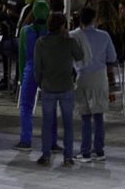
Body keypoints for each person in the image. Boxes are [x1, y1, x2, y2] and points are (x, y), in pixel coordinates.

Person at [34, 12, 84, 166]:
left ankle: (46, 154)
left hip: (48, 87)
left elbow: (37, 67)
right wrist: (68, 36)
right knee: (68, 124)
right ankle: (68, 157)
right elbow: (80, 56)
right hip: (66, 87)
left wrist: (40, 83)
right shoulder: (68, 42)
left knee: (47, 123)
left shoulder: (41, 42)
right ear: (63, 26)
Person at [71, 7, 117, 163]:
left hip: (82, 76)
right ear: (94, 19)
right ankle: (99, 150)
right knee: (98, 116)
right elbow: (112, 57)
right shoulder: (104, 36)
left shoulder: (74, 36)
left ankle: (84, 152)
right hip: (100, 77)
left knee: (85, 116)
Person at [15, 0, 61, 152]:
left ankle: (25, 141)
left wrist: (21, 77)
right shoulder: (52, 32)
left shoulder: (26, 31)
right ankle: (52, 142)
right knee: (51, 107)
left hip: (30, 68)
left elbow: (22, 56)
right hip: (48, 71)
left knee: (26, 106)